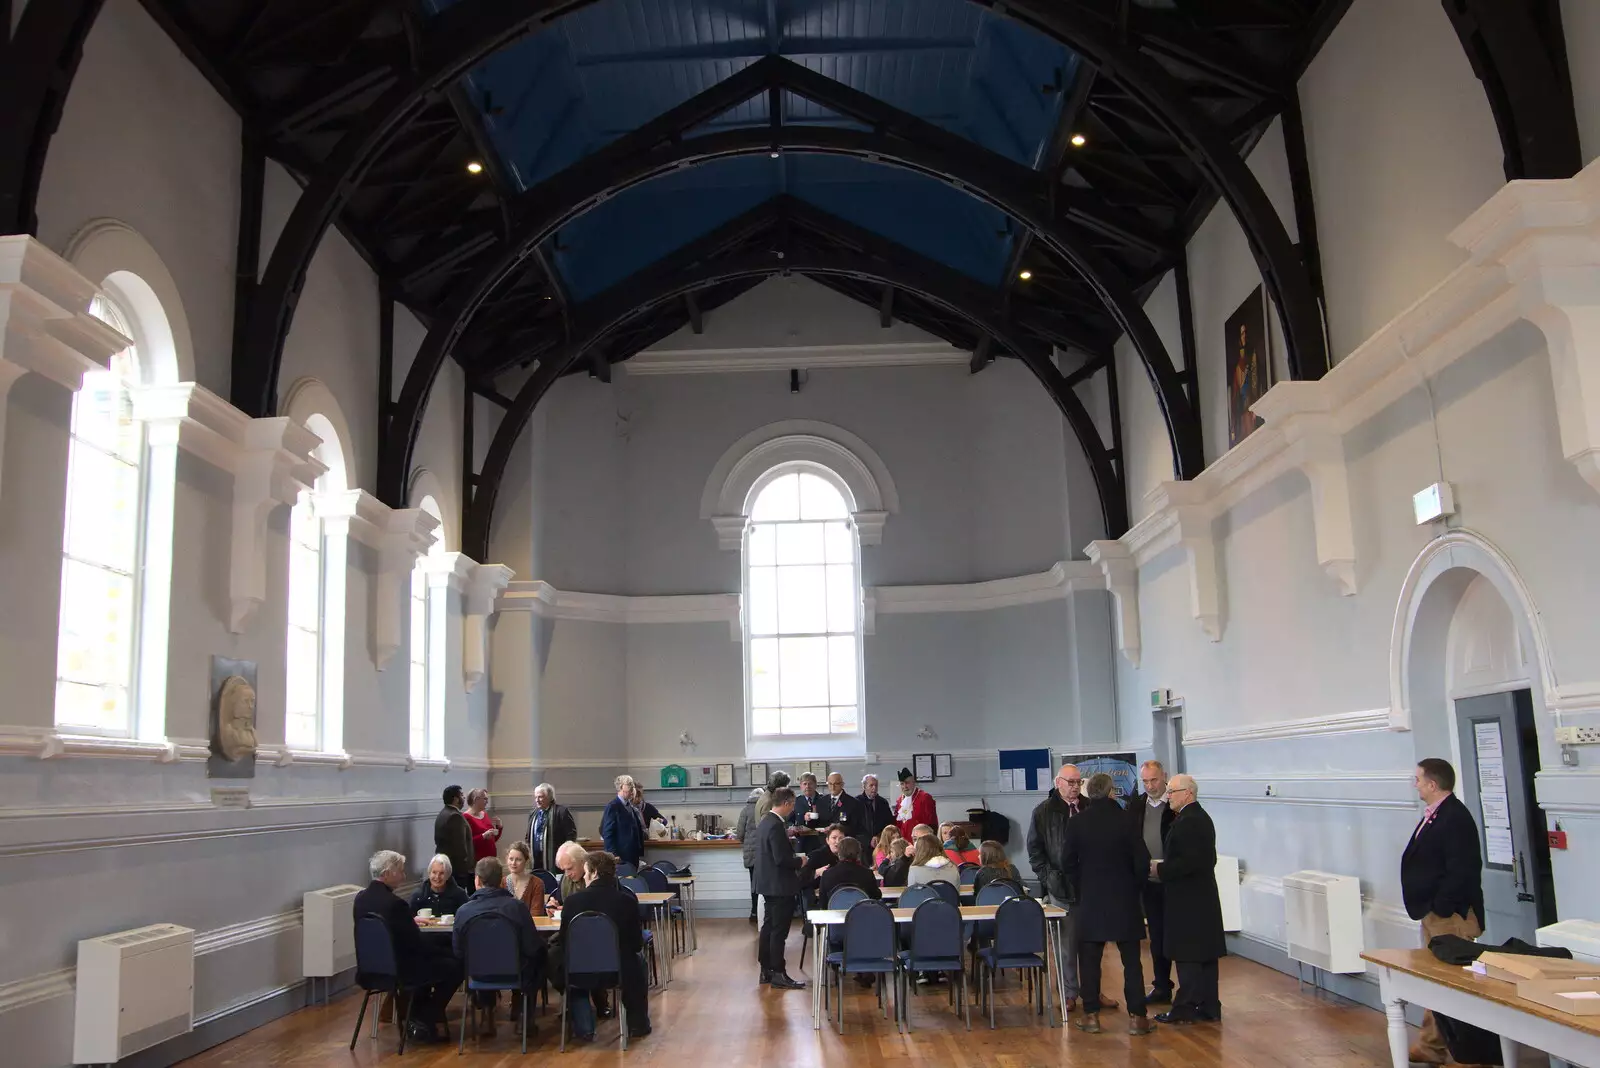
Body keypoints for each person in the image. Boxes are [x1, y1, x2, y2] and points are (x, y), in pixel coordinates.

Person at [1401, 758, 1485, 1066]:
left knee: (1456, 981)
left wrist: (1442, 906)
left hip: (1450, 915)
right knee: (1437, 979)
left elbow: (1462, 869)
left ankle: (1474, 1052)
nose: (1416, 784)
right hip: (1434, 913)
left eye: (1419, 779)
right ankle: (1432, 1045)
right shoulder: (1436, 815)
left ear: (1433, 784)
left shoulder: (1454, 818)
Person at [1064, 773, 1155, 1037]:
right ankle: (1138, 1018)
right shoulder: (1128, 820)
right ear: (1111, 792)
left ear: (1089, 794)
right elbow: (1142, 861)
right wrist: (1134, 887)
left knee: (1090, 962)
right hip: (1125, 900)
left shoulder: (1078, 822)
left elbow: (1067, 862)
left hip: (1091, 901)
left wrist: (1082, 887)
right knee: (1132, 962)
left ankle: (1091, 1015)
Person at [354, 850, 460, 1045]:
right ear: (387, 873)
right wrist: (445, 951)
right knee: (455, 965)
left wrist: (410, 920)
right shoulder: (395, 905)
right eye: (400, 871)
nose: (403, 876)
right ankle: (425, 1016)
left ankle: (417, 1016)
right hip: (402, 972)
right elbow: (416, 944)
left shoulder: (360, 900)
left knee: (433, 965)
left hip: (371, 970)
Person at [1028, 762, 1101, 1013]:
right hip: (1060, 886)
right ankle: (1069, 993)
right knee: (1065, 945)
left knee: (1092, 943)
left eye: (1079, 783)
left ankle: (1094, 991)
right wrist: (1049, 877)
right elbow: (1035, 852)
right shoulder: (1043, 812)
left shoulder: (1089, 807)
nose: (1075, 788)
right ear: (1058, 782)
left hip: (1091, 885)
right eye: (1070, 782)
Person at [1153, 774, 1225, 1025]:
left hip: (1188, 900)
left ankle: (1185, 1008)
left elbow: (1188, 862)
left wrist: (1159, 870)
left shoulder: (1189, 821)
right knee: (1204, 956)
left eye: (1172, 791)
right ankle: (1209, 1006)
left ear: (1188, 793)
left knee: (1189, 956)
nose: (1168, 795)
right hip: (1200, 897)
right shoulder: (1195, 818)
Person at [559, 851, 651, 1041]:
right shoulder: (627, 901)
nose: (584, 877)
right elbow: (635, 943)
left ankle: (584, 1028)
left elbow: (563, 943)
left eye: (585, 873)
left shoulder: (572, 902)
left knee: (562, 963)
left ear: (593, 873)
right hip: (617, 972)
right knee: (638, 961)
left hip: (579, 972)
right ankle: (637, 1024)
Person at [453, 856, 547, 1040]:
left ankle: (487, 1017)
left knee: (483, 958)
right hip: (516, 972)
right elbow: (532, 946)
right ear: (501, 880)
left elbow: (458, 951)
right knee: (539, 958)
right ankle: (524, 1017)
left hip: (478, 974)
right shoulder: (517, 908)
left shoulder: (463, 911)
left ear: (477, 880)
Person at [1127, 759, 1177, 1005]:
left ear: (1164, 776)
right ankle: (1161, 985)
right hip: (1148, 882)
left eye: (1154, 780)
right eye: (1145, 781)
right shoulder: (1136, 805)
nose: (1149, 785)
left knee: (1178, 934)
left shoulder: (1176, 804)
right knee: (1156, 936)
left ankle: (1189, 988)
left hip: (1174, 880)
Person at [753, 786, 807, 989]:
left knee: (768, 927)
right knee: (779, 931)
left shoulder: (766, 822)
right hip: (780, 885)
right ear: (785, 803)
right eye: (792, 804)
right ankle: (778, 972)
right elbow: (781, 859)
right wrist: (800, 861)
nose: (793, 808)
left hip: (767, 883)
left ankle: (766, 969)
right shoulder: (776, 825)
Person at [527, 782, 578, 872]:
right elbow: (528, 836)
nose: (537, 800)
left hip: (555, 860)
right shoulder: (533, 814)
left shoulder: (561, 812)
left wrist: (564, 854)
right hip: (536, 859)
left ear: (550, 797)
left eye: (540, 797)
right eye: (535, 797)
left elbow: (571, 835)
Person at [818, 836, 881, 904]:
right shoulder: (867, 873)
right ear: (858, 854)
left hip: (835, 913)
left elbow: (823, 902)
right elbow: (876, 897)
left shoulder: (827, 875)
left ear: (839, 854)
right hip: (862, 912)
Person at [434, 785, 475, 890]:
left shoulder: (443, 814)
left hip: (446, 865)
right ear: (456, 799)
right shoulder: (455, 816)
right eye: (462, 795)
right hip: (456, 870)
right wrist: (465, 870)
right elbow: (460, 847)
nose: (464, 798)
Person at [600, 775, 644, 867]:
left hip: (632, 855)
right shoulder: (613, 806)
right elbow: (607, 832)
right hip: (621, 856)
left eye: (632, 786)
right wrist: (613, 854)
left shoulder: (630, 806)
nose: (632, 789)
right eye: (629, 785)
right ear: (620, 787)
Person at [735, 785, 764, 923]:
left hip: (751, 853)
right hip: (765, 852)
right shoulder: (766, 808)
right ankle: (764, 912)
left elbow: (739, 834)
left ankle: (753, 912)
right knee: (764, 883)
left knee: (753, 883)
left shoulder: (745, 810)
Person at [504, 840, 548, 917]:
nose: (513, 863)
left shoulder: (537, 883)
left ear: (526, 861)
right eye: (511, 859)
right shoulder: (501, 882)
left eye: (518, 859)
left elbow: (536, 915)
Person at [893, 768, 937, 841]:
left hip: (921, 842)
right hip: (904, 842)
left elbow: (932, 822)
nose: (905, 787)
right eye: (902, 784)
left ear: (913, 782)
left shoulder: (925, 797)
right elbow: (898, 824)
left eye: (907, 783)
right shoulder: (899, 800)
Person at [823, 772, 866, 848]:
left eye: (836, 784)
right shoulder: (821, 801)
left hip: (845, 845)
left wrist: (837, 828)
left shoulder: (853, 803)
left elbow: (857, 826)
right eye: (830, 784)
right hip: (825, 845)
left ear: (842, 784)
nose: (833, 787)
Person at [462, 788, 502, 864]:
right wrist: (483, 836)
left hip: (491, 859)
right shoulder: (466, 818)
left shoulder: (484, 814)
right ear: (476, 799)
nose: (487, 802)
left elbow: (493, 839)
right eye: (485, 799)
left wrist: (499, 827)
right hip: (478, 862)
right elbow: (466, 843)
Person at [858, 774, 895, 845]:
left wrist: (879, 836)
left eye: (876, 785)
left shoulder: (883, 802)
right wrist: (869, 839)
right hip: (863, 844)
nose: (874, 788)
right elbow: (856, 826)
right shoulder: (857, 802)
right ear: (864, 786)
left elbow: (889, 823)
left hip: (881, 842)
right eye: (871, 785)